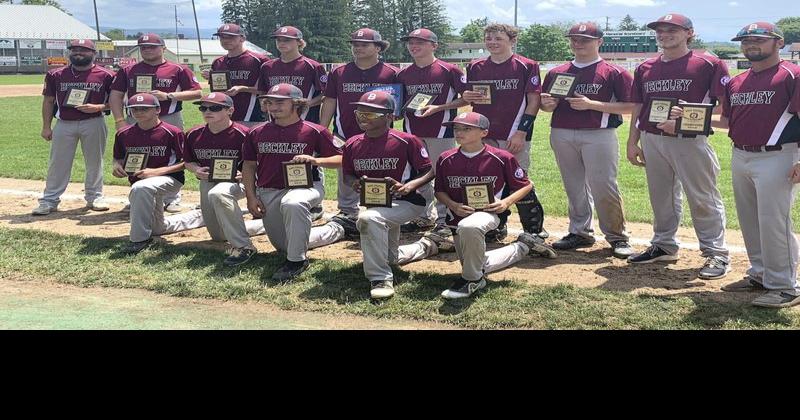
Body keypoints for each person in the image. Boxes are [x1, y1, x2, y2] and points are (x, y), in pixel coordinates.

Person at [680, 23, 799, 307]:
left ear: (778, 43)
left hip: (778, 154)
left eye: (759, 39)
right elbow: (727, 121)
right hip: (741, 154)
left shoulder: (792, 75)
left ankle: (785, 285)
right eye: (745, 41)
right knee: (749, 218)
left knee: (774, 221)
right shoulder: (738, 81)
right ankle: (759, 274)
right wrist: (689, 117)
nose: (750, 44)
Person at [393, 112, 557, 299]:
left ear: (484, 133)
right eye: (456, 128)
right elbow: (440, 191)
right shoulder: (446, 158)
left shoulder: (501, 157)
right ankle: (523, 247)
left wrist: (505, 202)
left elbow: (526, 185)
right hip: (456, 216)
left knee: (470, 228)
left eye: (467, 128)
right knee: (477, 263)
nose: (459, 132)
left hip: (488, 213)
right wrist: (453, 205)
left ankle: (473, 281)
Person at [625, 13, 731, 281]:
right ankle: (664, 245)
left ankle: (715, 252)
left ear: (689, 33)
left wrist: (684, 123)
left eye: (672, 29)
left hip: (690, 141)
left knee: (702, 197)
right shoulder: (645, 67)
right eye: (660, 30)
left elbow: (722, 107)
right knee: (661, 196)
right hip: (651, 138)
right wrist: (632, 141)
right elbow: (639, 106)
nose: (664, 34)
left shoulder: (708, 63)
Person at [539, 22, 634, 259]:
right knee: (574, 185)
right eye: (574, 39)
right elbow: (547, 104)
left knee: (604, 184)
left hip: (598, 133)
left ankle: (617, 236)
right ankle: (580, 232)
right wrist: (546, 105)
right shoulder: (557, 72)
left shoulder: (614, 72)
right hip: (562, 131)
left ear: (599, 42)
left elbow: (632, 106)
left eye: (585, 39)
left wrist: (592, 105)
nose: (578, 43)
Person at [242, 84, 348, 282]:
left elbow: (342, 160)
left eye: (280, 102)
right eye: (270, 102)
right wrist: (251, 196)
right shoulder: (256, 132)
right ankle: (336, 228)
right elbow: (248, 166)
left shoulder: (315, 131)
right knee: (285, 245)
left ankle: (297, 262)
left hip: (305, 187)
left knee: (293, 203)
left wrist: (316, 160)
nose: (273, 107)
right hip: (268, 190)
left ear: (297, 104)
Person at [342, 91, 434, 300]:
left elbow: (430, 171)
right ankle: (426, 247)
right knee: (391, 256)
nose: (364, 117)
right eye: (361, 112)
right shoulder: (353, 143)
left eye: (372, 114)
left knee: (368, 219)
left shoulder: (406, 140)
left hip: (408, 202)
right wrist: (354, 183)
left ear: (390, 117)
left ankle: (380, 278)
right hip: (376, 203)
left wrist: (408, 186)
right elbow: (347, 175)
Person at [461, 23, 547, 241]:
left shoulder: (527, 65)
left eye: (498, 38)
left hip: (513, 134)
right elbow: (468, 97)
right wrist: (468, 97)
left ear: (512, 40)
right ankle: (496, 225)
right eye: (489, 38)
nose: (492, 42)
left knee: (519, 179)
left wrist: (521, 132)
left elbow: (534, 100)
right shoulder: (475, 65)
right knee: (487, 179)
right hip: (484, 133)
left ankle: (534, 228)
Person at [109, 33, 202, 213]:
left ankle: (172, 198)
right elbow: (116, 95)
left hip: (169, 116)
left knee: (173, 155)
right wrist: (119, 120)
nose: (147, 50)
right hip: (136, 117)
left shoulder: (178, 69)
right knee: (136, 155)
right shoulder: (129, 70)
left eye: (152, 46)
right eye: (144, 47)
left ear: (163, 48)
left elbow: (197, 93)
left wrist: (169, 96)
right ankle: (138, 195)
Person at [319, 28, 400, 227]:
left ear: (378, 48)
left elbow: (396, 106)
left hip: (379, 133)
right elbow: (330, 100)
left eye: (364, 44)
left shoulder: (391, 73)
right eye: (355, 44)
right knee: (344, 169)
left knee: (380, 167)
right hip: (344, 129)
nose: (358, 48)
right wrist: (322, 129)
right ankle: (347, 211)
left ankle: (381, 207)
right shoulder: (339, 72)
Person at [396, 28, 468, 238]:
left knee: (442, 173)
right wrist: (395, 114)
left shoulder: (450, 70)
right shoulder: (403, 74)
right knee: (419, 174)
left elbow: (466, 98)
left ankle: (446, 218)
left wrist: (440, 107)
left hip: (441, 129)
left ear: (434, 46)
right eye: (411, 42)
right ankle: (424, 215)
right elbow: (400, 105)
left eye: (420, 42)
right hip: (412, 131)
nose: (413, 46)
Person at [33, 39, 114, 216]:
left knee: (94, 161)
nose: (78, 53)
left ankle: (95, 197)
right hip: (64, 123)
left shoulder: (106, 75)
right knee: (58, 163)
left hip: (94, 121)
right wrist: (46, 127)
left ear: (94, 53)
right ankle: (49, 200)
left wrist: (99, 107)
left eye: (84, 50)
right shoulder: (56, 74)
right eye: (75, 49)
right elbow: (48, 100)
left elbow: (116, 101)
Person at [180, 92, 260, 267]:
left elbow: (258, 163)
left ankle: (244, 247)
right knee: (218, 236)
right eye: (204, 108)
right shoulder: (193, 134)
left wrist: (243, 175)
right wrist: (196, 169)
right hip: (207, 181)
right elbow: (188, 161)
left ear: (230, 110)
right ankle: (265, 225)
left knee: (219, 192)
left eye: (215, 108)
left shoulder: (245, 134)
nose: (208, 111)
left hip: (239, 183)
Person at [259, 25, 329, 220]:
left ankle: (315, 203)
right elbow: (262, 92)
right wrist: (265, 104)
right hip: (276, 120)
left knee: (311, 159)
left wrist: (305, 104)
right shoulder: (268, 67)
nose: (281, 43)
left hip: (306, 120)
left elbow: (325, 93)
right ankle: (284, 196)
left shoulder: (312, 65)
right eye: (279, 40)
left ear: (299, 42)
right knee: (282, 155)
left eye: (287, 40)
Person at [111, 93, 187, 254]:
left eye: (144, 109)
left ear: (157, 110)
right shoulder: (123, 134)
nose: (139, 112)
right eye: (134, 109)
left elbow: (186, 162)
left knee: (140, 188)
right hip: (142, 182)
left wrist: (157, 172)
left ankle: (139, 239)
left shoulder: (172, 132)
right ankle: (201, 216)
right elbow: (117, 158)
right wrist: (116, 166)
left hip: (170, 179)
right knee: (158, 228)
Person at [201, 23, 269, 128]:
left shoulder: (259, 60)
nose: (226, 40)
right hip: (223, 118)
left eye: (231, 37)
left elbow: (266, 89)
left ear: (242, 38)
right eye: (222, 37)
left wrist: (242, 88)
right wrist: (211, 78)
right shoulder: (218, 62)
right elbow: (217, 92)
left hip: (251, 116)